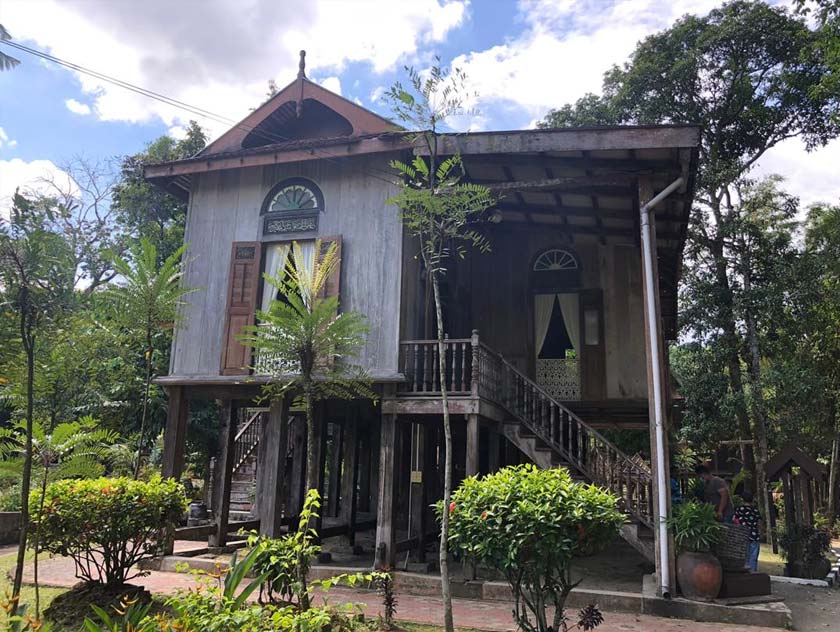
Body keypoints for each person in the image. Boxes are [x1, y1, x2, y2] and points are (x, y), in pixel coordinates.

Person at [734, 491, 762, 572]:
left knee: (744, 555)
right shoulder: (755, 510)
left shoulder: (739, 509)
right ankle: (752, 571)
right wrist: (760, 532)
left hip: (743, 535)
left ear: (742, 499)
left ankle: (744, 571)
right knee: (753, 556)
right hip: (754, 535)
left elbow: (735, 519)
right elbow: (759, 522)